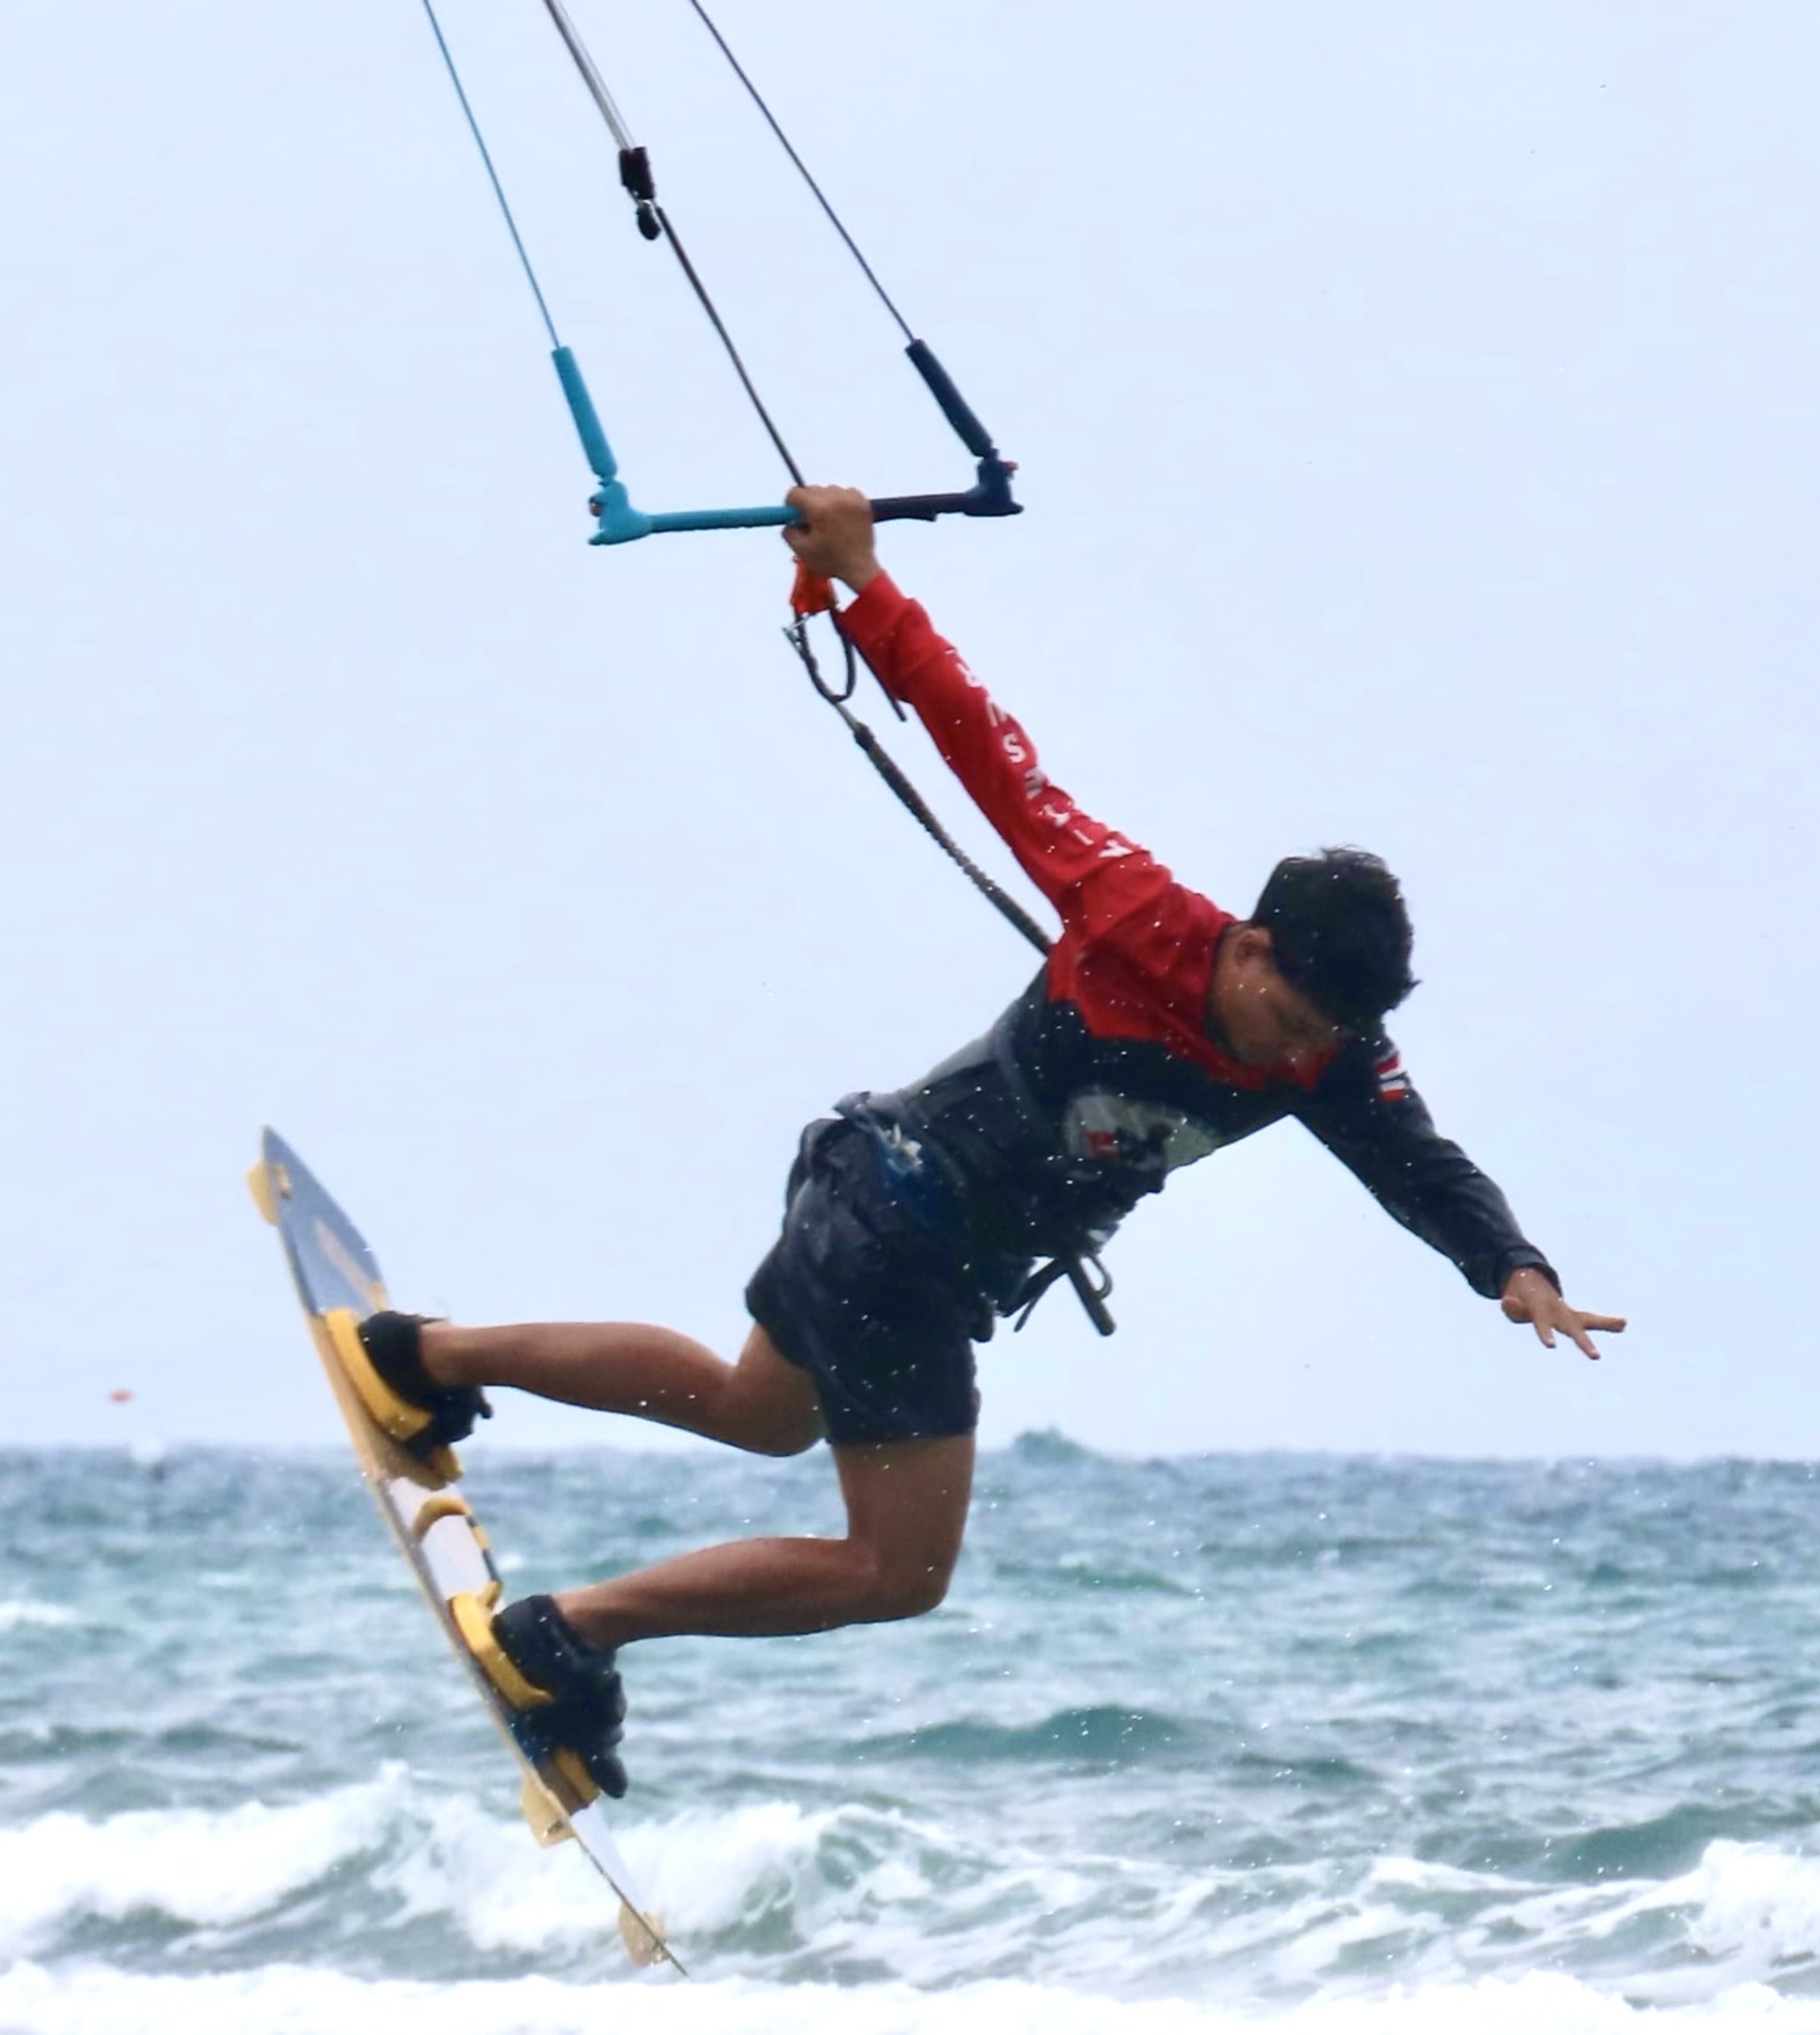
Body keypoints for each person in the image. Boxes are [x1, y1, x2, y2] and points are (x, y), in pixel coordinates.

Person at [319, 485, 1625, 1795]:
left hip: (865, 1195)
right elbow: (983, 741)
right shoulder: (1131, 909)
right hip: (901, 1237)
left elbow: (1419, 1160)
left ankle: (420, 1358)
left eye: (1322, 1038)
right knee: (895, 1570)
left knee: (750, 1406)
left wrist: (1511, 1265)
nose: (1295, 1055)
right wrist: (862, 581)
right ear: (1249, 945)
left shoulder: (1327, 1054)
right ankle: (565, 1634)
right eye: (1288, 1017)